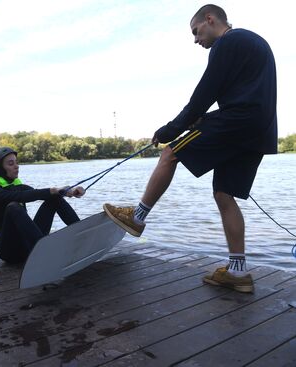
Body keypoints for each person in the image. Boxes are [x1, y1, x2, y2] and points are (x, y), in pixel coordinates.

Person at [103, 4, 277, 293]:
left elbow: (203, 95)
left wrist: (170, 129)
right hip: (259, 131)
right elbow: (230, 90)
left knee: (171, 151)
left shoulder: (227, 42)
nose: (196, 40)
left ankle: (137, 217)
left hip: (237, 120)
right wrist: (198, 119)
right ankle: (238, 271)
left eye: (196, 32)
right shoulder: (252, 42)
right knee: (224, 194)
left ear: (210, 20)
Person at [0, 147, 85, 264]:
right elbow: (20, 197)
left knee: (54, 198)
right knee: (13, 207)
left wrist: (69, 191)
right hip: (8, 250)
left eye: (16, 162)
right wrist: (53, 190)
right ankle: (44, 251)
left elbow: (38, 193)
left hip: (28, 243)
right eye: (10, 163)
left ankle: (84, 233)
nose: (16, 166)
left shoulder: (17, 186)